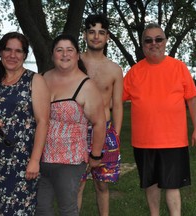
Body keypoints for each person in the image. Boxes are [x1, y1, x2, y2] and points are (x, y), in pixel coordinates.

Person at [122, 23, 196, 216]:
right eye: (148, 40)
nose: (154, 44)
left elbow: (192, 100)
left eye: (158, 39)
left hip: (173, 140)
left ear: (165, 42)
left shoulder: (179, 67)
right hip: (143, 141)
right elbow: (116, 99)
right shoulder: (134, 72)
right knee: (150, 184)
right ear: (143, 45)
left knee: (172, 184)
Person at [0, 32, 50, 215]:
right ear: (1, 51)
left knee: (20, 210)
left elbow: (43, 122)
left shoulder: (35, 80)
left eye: (18, 51)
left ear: (24, 55)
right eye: (8, 49)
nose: (12, 55)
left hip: (23, 161)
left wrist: (34, 160)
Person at [35, 34, 106, 216]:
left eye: (70, 50)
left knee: (67, 208)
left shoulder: (86, 86)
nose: (64, 54)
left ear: (77, 55)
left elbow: (99, 123)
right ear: (52, 55)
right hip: (39, 157)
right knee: (41, 208)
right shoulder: (40, 79)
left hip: (70, 160)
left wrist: (95, 156)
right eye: (59, 50)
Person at [77, 14, 124, 216]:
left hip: (105, 132)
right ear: (85, 34)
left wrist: (116, 134)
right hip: (76, 131)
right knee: (76, 186)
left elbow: (118, 105)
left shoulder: (115, 69)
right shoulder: (73, 61)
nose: (96, 37)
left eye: (101, 33)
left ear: (107, 37)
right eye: (92, 32)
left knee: (102, 186)